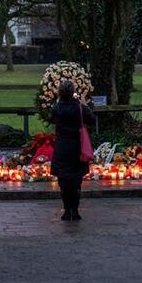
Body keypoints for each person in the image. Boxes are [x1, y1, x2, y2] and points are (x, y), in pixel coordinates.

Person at [49, 79, 95, 221]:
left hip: (62, 148)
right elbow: (91, 120)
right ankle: (75, 211)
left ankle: (66, 210)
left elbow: (50, 119)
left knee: (63, 182)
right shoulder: (80, 108)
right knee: (76, 182)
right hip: (77, 149)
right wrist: (83, 103)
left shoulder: (57, 108)